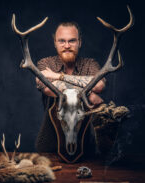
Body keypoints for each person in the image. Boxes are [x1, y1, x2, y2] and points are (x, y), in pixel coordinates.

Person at [35, 22, 106, 153]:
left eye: (72, 41)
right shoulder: (45, 63)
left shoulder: (90, 64)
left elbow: (100, 85)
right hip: (50, 145)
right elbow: (49, 89)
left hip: (86, 146)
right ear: (55, 42)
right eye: (62, 41)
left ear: (79, 42)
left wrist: (58, 77)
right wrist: (89, 93)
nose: (67, 46)